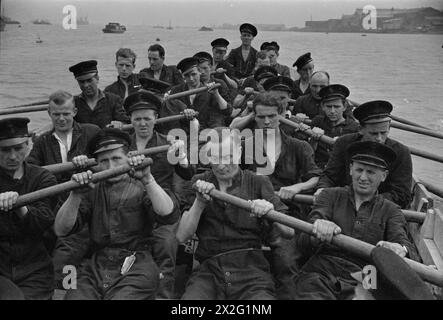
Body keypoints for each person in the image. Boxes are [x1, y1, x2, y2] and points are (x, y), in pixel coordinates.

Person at [54, 128, 180, 300]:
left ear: (128, 158)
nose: (111, 167)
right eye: (104, 161)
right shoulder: (90, 189)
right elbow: (61, 230)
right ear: (96, 164)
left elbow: (168, 215)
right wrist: (75, 194)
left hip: (137, 264)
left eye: (116, 159)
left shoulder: (142, 183)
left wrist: (148, 180)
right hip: (96, 264)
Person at [176, 127, 294, 299]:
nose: (222, 165)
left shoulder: (258, 182)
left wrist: (270, 210)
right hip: (209, 270)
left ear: (239, 153)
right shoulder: (199, 182)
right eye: (216, 158)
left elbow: (289, 232)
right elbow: (182, 236)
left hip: (251, 270)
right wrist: (199, 203)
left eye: (228, 156)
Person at [293, 141, 415, 300]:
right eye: (359, 170)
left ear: (383, 176)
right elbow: (302, 242)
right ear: (351, 170)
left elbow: (405, 245)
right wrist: (318, 228)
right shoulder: (329, 195)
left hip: (367, 275)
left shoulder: (391, 210)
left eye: (371, 172)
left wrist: (400, 248)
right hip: (322, 270)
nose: (363, 177)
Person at [241, 93, 321, 299]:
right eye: (260, 117)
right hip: (252, 210)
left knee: (286, 262)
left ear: (282, 115)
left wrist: (296, 187)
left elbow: (315, 178)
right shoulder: (245, 145)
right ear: (254, 117)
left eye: (272, 116)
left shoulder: (299, 146)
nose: (266, 121)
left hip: (287, 212)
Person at [27, 90, 100, 289]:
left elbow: (107, 165)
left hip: (82, 208)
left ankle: (62, 287)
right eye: (56, 114)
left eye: (66, 113)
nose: (61, 119)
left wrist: (88, 166)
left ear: (75, 111)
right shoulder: (42, 142)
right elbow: (30, 172)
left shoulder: (91, 132)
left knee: (63, 260)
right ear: (49, 114)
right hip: (51, 206)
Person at [124, 91, 193, 299]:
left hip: (163, 207)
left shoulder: (168, 142)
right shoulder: (122, 146)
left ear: (156, 118)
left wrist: (181, 156)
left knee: (165, 244)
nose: (142, 123)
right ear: (131, 120)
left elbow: (187, 174)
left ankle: (164, 294)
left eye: (147, 118)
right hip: (128, 204)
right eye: (137, 119)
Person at [0, 118, 58, 300]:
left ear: (29, 146)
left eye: (18, 148)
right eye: (4, 150)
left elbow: (43, 222)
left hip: (34, 269)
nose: (12, 156)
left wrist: (20, 206)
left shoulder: (43, 178)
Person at [316, 100, 413, 209]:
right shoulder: (343, 143)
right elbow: (329, 176)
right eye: (373, 133)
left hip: (382, 209)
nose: (379, 139)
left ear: (389, 128)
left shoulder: (401, 152)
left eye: (384, 133)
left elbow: (402, 195)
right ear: (360, 129)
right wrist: (322, 189)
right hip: (344, 204)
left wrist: (365, 202)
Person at [170, 57, 231, 129]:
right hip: (183, 132)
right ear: (183, 77)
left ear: (199, 72)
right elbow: (171, 113)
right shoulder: (176, 91)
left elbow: (228, 111)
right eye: (187, 76)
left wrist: (216, 94)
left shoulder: (210, 90)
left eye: (194, 74)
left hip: (205, 132)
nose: (191, 79)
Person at [307, 84, 359, 169]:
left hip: (341, 170)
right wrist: (314, 140)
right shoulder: (317, 121)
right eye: (328, 106)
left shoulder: (354, 127)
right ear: (323, 106)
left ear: (344, 106)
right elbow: (310, 153)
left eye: (336, 107)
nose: (332, 111)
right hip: (317, 168)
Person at [69, 60, 129, 129]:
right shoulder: (73, 103)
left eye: (89, 80)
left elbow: (125, 121)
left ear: (97, 78)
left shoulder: (113, 100)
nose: (86, 85)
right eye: (81, 82)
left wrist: (120, 123)